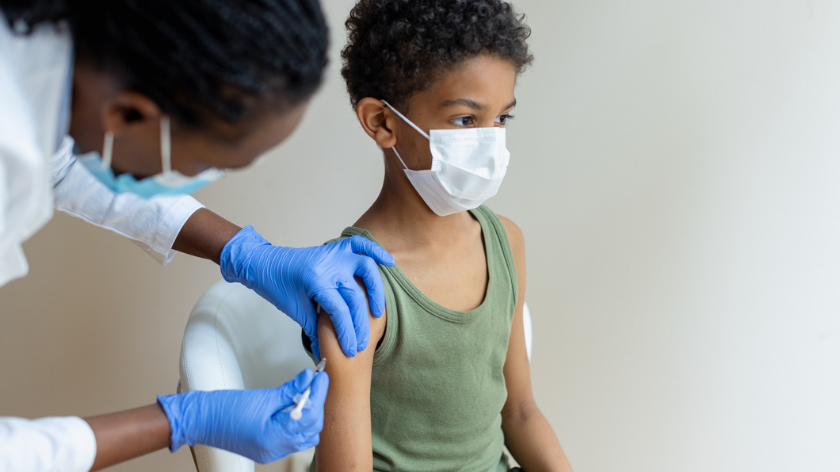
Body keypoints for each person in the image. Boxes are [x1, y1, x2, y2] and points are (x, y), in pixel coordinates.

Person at [0, 1, 394, 471]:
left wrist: (243, 251)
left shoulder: (58, 73)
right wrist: (180, 421)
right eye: (206, 163)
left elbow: (64, 160)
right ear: (128, 114)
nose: (200, 176)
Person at [303, 0, 575, 471]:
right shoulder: (355, 280)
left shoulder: (505, 242)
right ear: (382, 122)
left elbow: (520, 410)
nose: (490, 142)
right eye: (466, 120)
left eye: (501, 118)